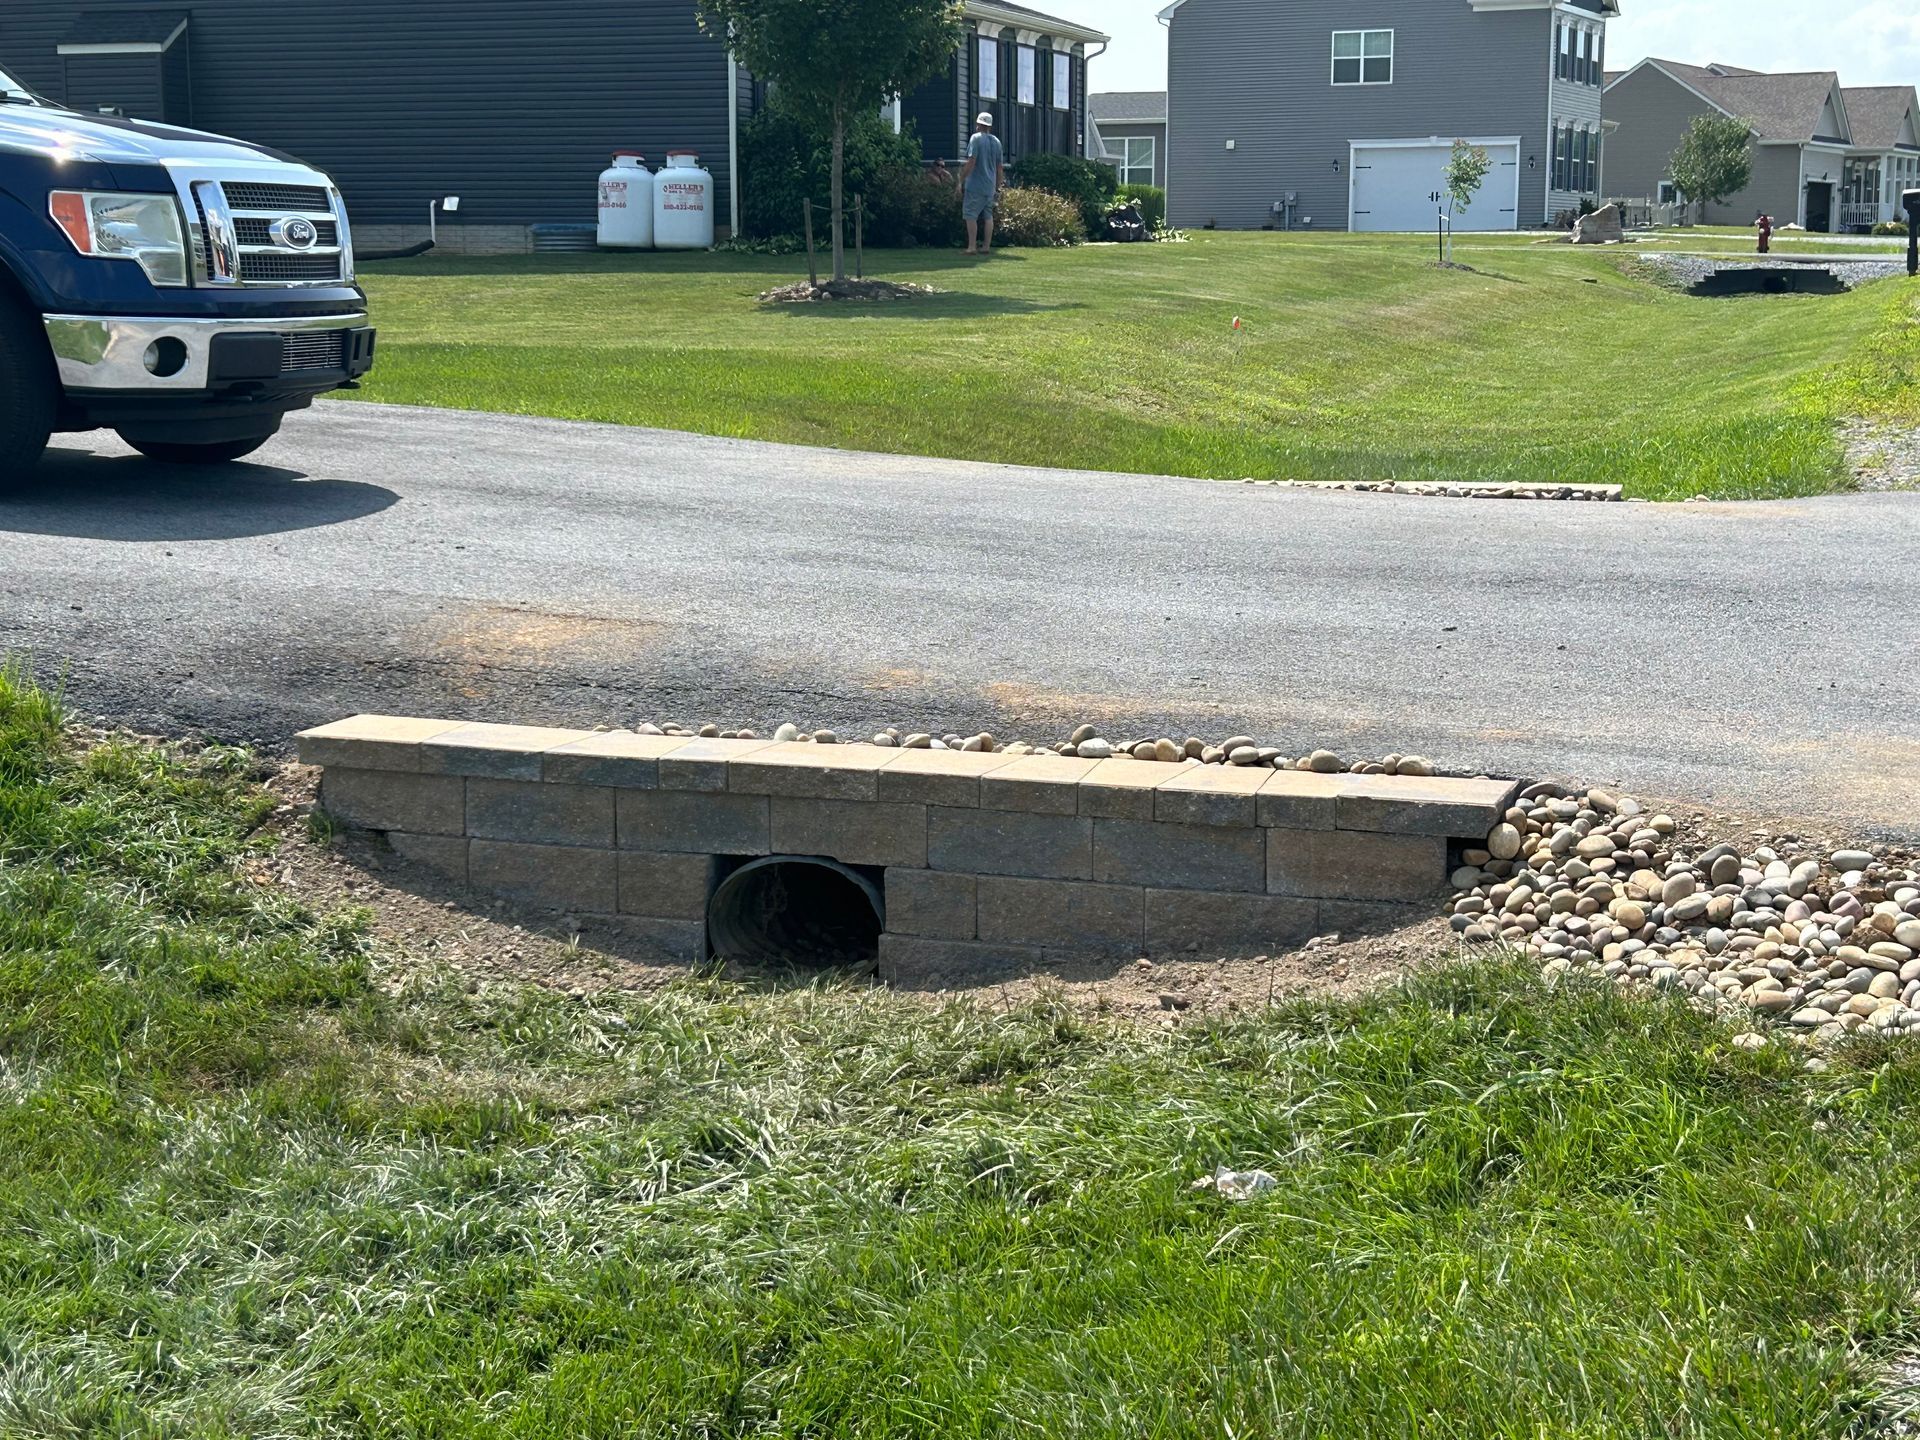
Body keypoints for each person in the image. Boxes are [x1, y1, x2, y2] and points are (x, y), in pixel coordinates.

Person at [956, 112, 1006, 255]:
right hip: (990, 185)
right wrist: (997, 185)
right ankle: (986, 246)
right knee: (988, 216)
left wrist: (961, 179)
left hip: (975, 184)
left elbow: (971, 161)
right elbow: (999, 167)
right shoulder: (997, 142)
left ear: (978, 124)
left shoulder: (975, 139)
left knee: (970, 214)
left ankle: (972, 247)